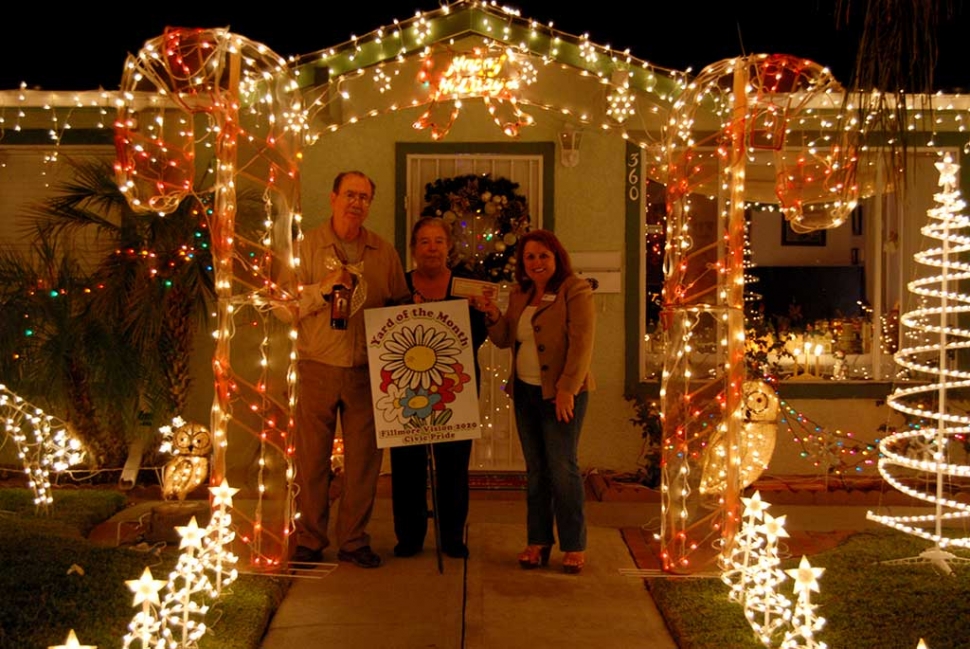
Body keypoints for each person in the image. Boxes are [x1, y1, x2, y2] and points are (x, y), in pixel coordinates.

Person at [279, 170, 411, 569]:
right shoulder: (305, 249)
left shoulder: (383, 252)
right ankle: (310, 539)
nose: (357, 203)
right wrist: (323, 289)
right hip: (317, 365)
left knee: (364, 463)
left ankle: (353, 540)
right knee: (311, 459)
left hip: (367, 371)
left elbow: (399, 307)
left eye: (365, 197)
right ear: (333, 197)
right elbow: (284, 307)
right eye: (350, 194)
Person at [473, 229, 595, 574]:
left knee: (563, 469)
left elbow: (582, 344)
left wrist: (566, 389)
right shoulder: (520, 294)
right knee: (537, 471)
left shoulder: (575, 289)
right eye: (530, 257)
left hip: (561, 393)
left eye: (543, 255)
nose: (537, 262)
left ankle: (574, 545)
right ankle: (538, 542)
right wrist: (493, 316)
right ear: (522, 264)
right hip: (525, 392)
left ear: (556, 257)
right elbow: (503, 340)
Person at [390, 216, 489, 560]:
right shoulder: (398, 287)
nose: (431, 248)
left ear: (448, 247)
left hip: (455, 388)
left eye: (438, 241)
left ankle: (451, 537)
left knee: (452, 464)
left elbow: (479, 335)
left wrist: (483, 311)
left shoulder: (467, 286)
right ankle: (409, 536)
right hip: (405, 390)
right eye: (424, 242)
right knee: (407, 463)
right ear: (414, 248)